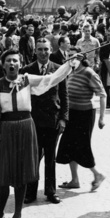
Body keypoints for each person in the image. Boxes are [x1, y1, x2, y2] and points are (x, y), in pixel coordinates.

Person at [0, 49, 77, 218]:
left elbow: (51, 79)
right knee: (4, 176)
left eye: (15, 61)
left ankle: (18, 216)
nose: (12, 64)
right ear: (3, 64)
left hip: (25, 129)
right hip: (6, 130)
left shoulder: (27, 79)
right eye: (8, 61)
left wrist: (69, 64)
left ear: (20, 63)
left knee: (22, 176)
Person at [20, 38, 68, 204]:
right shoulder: (27, 70)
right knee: (33, 157)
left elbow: (64, 95)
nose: (43, 52)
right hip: (33, 121)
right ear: (35, 51)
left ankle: (50, 191)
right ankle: (31, 192)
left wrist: (63, 118)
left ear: (50, 50)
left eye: (46, 49)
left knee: (50, 158)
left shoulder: (57, 70)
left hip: (52, 121)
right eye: (39, 49)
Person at [57, 46, 107, 191]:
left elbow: (102, 94)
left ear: (81, 57)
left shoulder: (88, 73)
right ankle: (75, 179)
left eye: (74, 56)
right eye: (69, 56)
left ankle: (98, 174)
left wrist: (102, 118)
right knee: (68, 146)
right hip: (71, 114)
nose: (71, 59)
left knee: (82, 147)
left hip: (85, 115)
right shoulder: (70, 72)